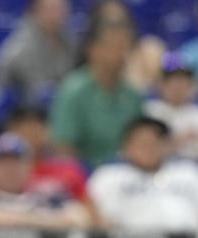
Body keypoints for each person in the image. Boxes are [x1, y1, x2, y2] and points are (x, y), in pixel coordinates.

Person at [88, 116, 198, 232]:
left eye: (155, 142)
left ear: (167, 145)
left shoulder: (189, 172)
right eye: (142, 143)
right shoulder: (108, 176)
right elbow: (86, 214)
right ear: (126, 146)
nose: (149, 149)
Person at [50, 20, 144, 168]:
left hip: (128, 175)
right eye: (115, 47)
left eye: (126, 48)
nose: (122, 54)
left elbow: (142, 140)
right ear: (92, 50)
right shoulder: (74, 91)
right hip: (86, 177)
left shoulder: (133, 94)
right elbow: (64, 148)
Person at [0, 106, 89, 204]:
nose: (31, 137)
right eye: (25, 131)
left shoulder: (69, 171)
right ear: (11, 132)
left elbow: (90, 214)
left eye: (37, 130)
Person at [0, 133, 90, 229]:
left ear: (29, 166)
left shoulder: (49, 197)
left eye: (16, 162)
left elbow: (80, 219)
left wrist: (21, 220)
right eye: (3, 163)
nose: (10, 169)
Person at [0, 0, 76, 104]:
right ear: (35, 9)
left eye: (62, 6)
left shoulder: (70, 41)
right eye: (53, 7)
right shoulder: (21, 46)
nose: (59, 13)